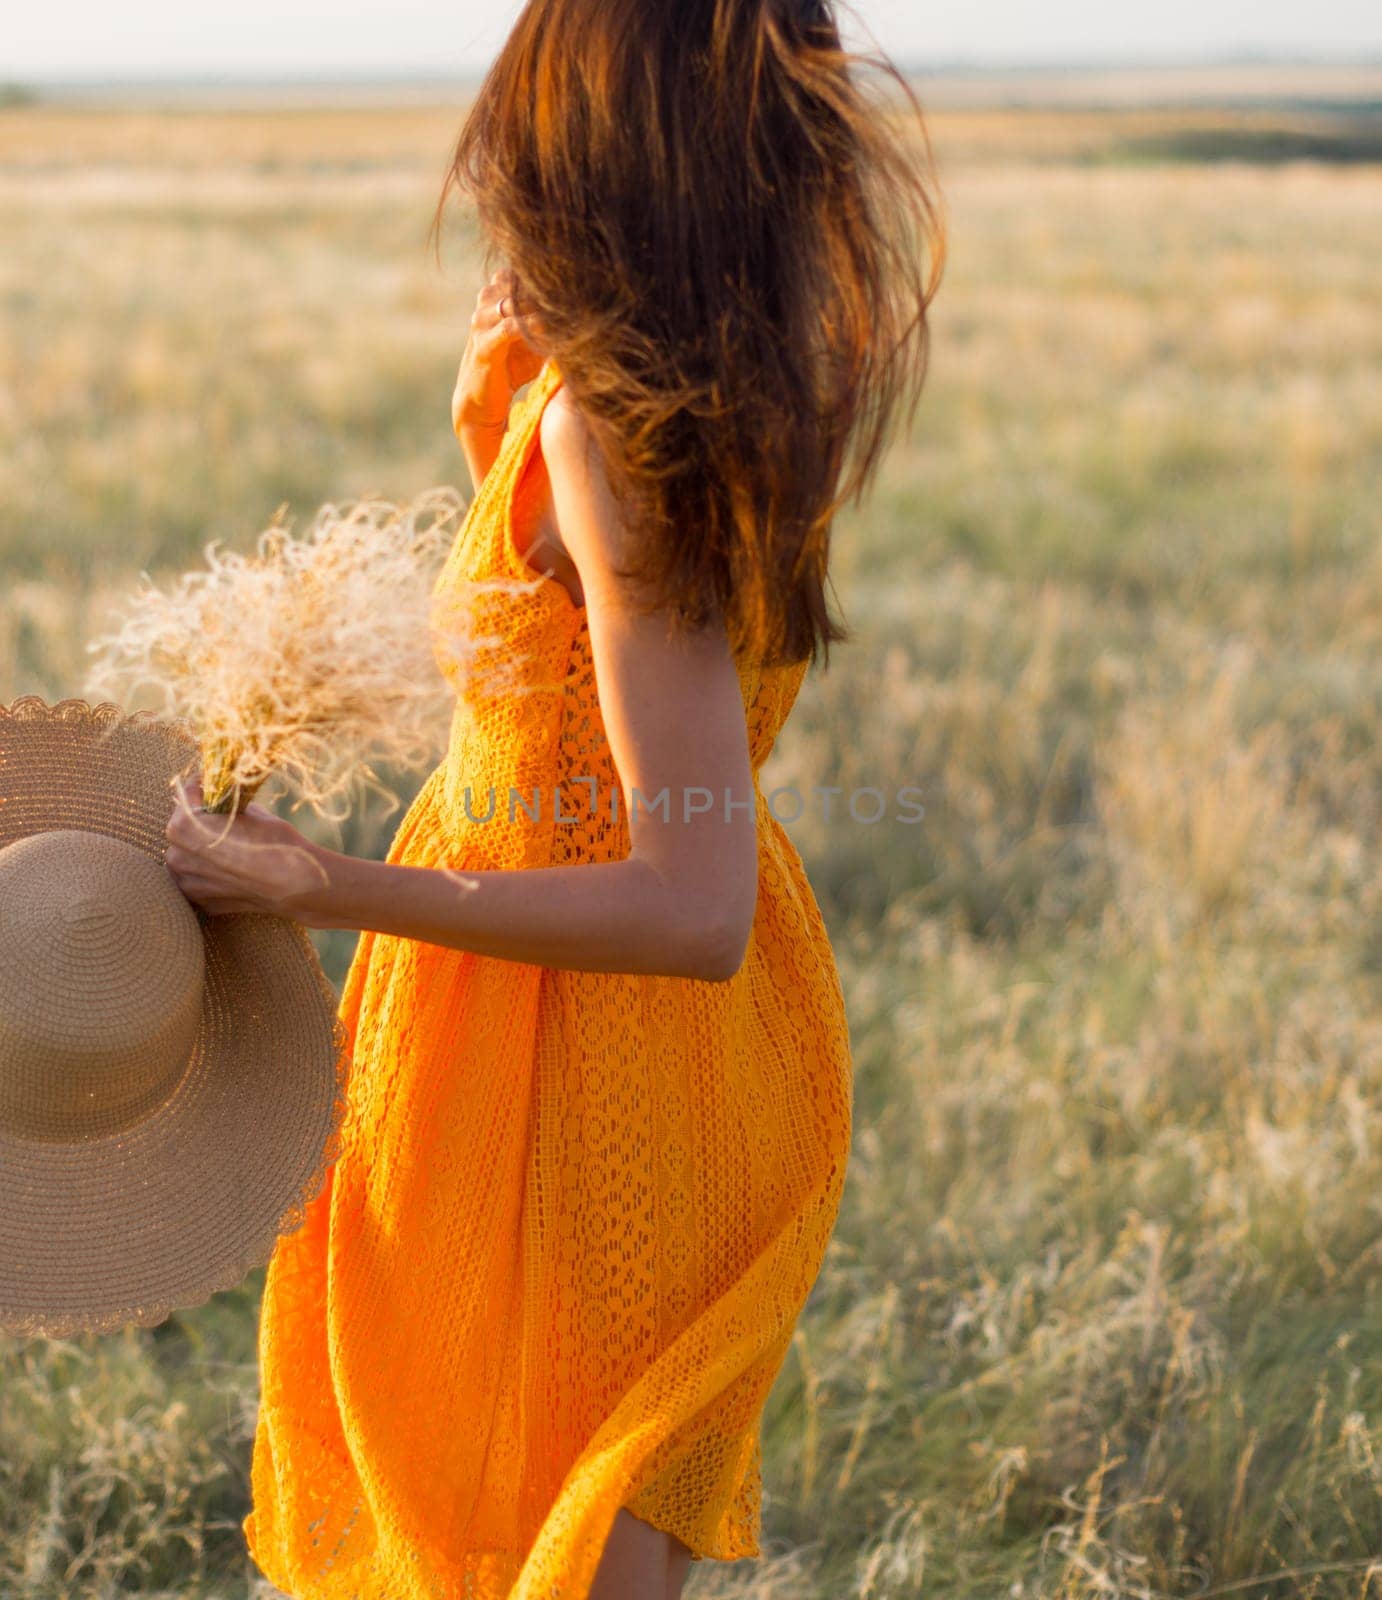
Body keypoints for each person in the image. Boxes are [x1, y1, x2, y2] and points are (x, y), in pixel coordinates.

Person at [165, 1, 943, 1595]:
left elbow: (687, 900)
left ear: (588, 147)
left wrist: (319, 887)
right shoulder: (690, 396)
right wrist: (496, 428)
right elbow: (573, 682)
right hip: (536, 1022)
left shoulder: (613, 436)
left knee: (555, 1550)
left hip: (591, 1049)